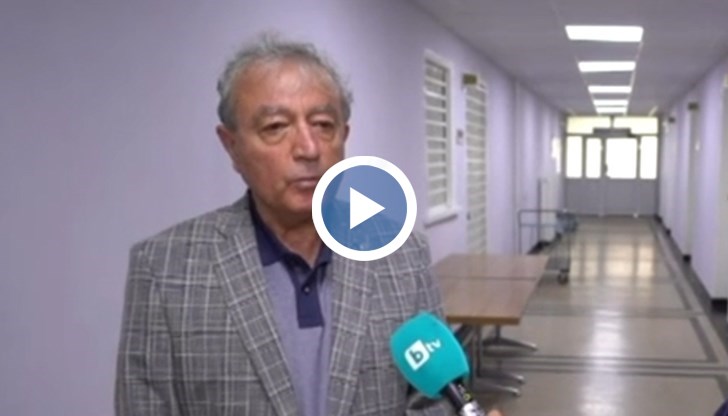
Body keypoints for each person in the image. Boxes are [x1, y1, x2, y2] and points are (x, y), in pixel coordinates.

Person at [114, 33, 502, 416]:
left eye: (322, 125)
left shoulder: (402, 253)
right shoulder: (165, 268)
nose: (308, 148)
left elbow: (434, 401)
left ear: (344, 137)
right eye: (275, 127)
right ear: (231, 146)